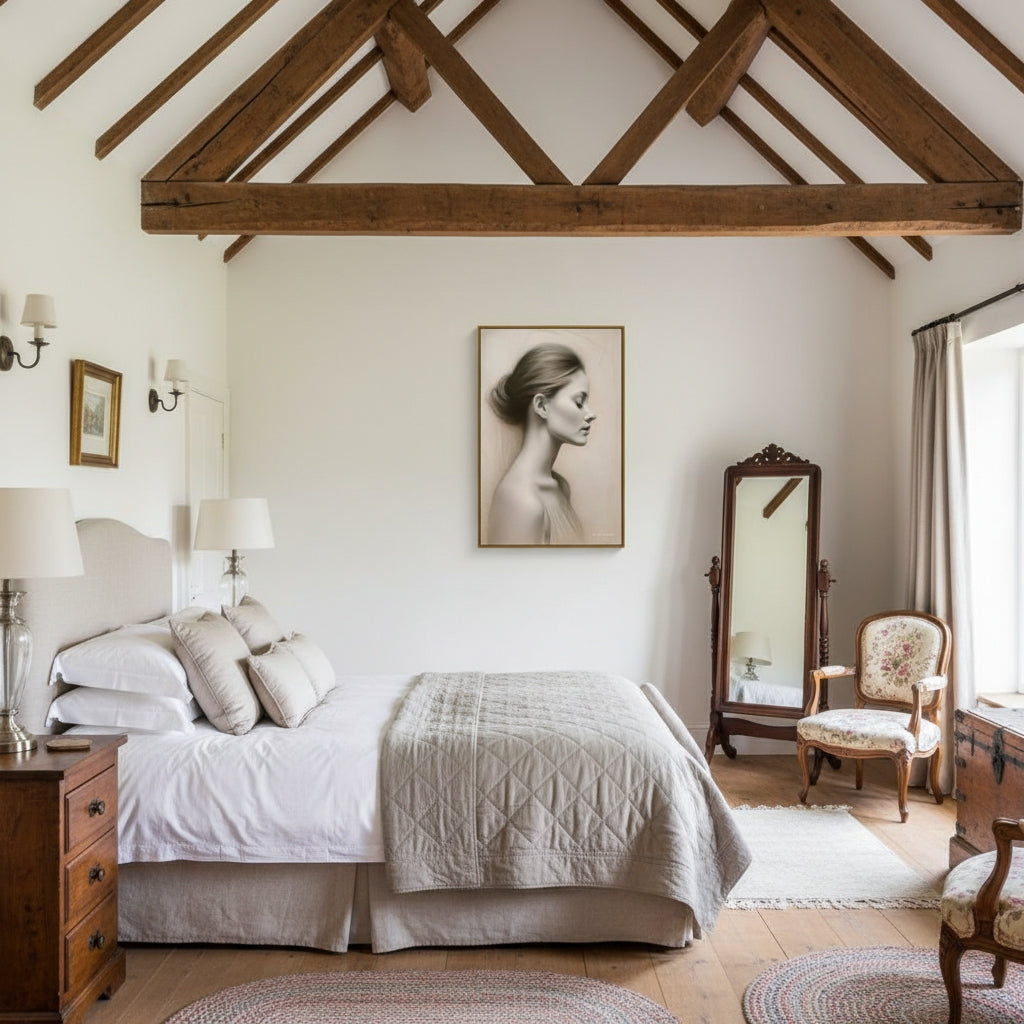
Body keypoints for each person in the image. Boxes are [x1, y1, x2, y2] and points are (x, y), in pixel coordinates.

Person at [486, 342, 596, 544]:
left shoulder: (560, 487)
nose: (591, 414)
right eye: (579, 402)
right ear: (542, 406)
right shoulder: (521, 501)